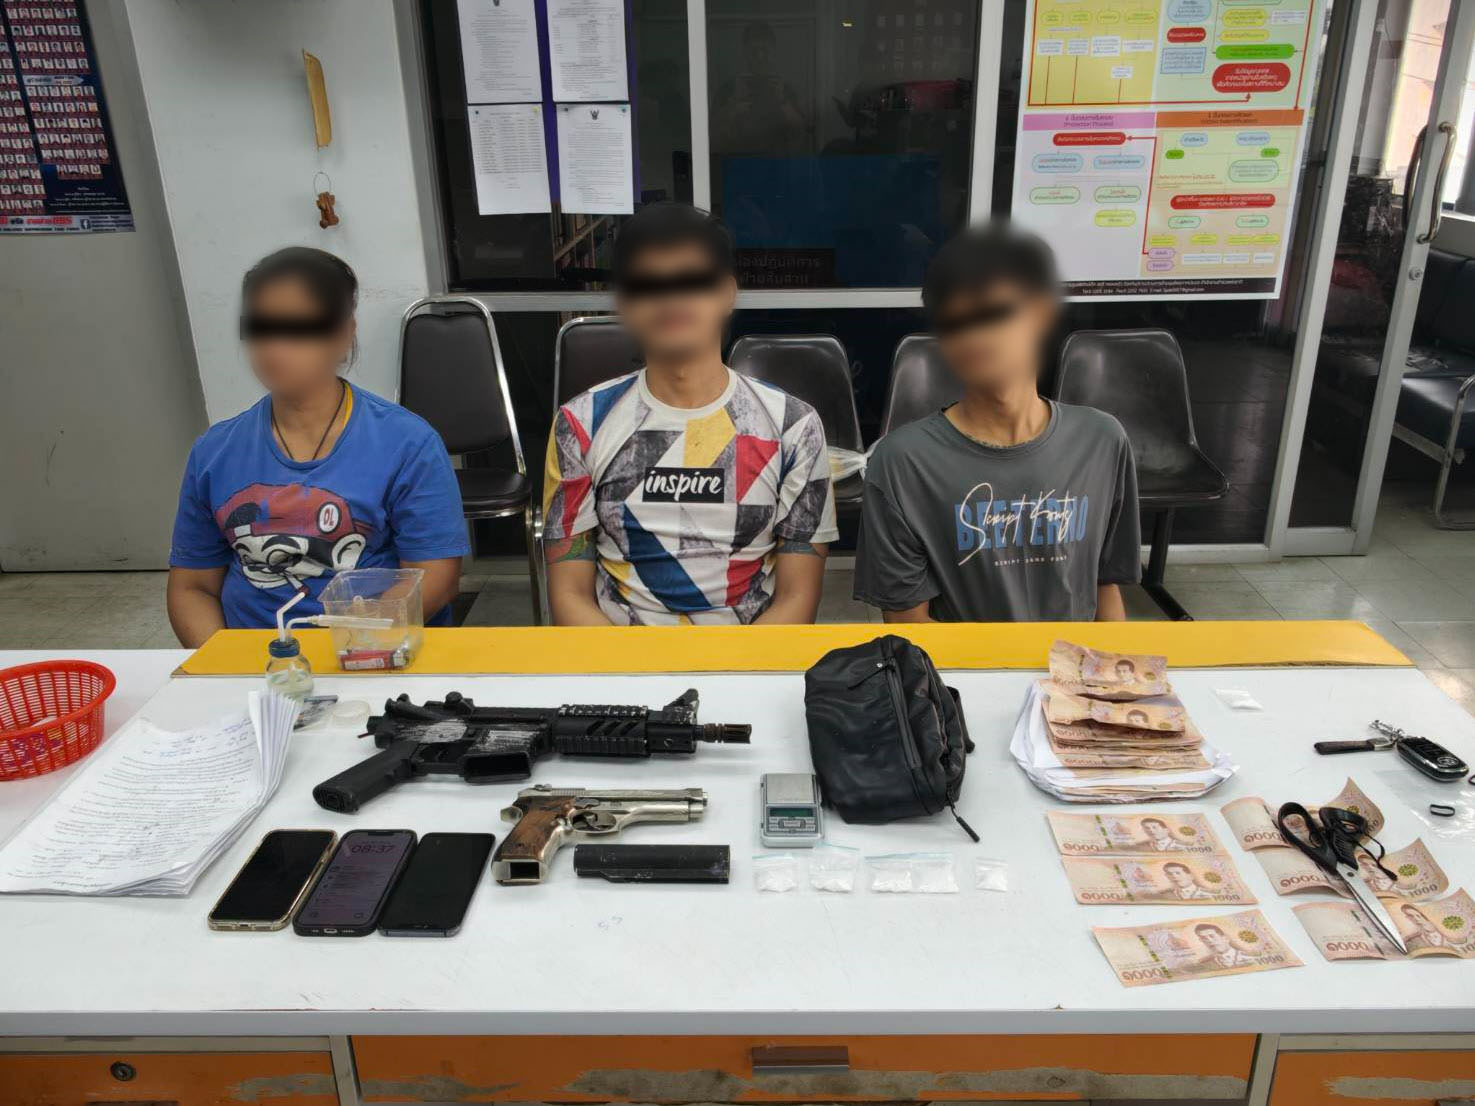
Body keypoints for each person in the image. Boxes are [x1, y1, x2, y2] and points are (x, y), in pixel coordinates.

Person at [542, 203, 837, 625]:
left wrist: (734, 668)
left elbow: (798, 598)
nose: (671, 299)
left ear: (727, 293)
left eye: (692, 281)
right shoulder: (578, 425)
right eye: (648, 285)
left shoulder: (794, 427)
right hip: (619, 656)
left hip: (751, 656)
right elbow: (569, 595)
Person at [167, 247, 468, 647]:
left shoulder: (408, 444)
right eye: (262, 327)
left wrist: (352, 649)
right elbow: (192, 587)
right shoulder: (214, 452)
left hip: (371, 653)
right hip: (257, 664)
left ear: (342, 334)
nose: (275, 346)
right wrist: (228, 666)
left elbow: (435, 579)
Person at [854, 221, 1141, 622]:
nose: (973, 336)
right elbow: (909, 624)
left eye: (993, 313)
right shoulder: (902, 463)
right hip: (963, 663)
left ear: (1040, 312)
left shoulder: (1102, 441)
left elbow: (1104, 585)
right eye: (954, 323)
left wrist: (1110, 660)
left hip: (1073, 662)